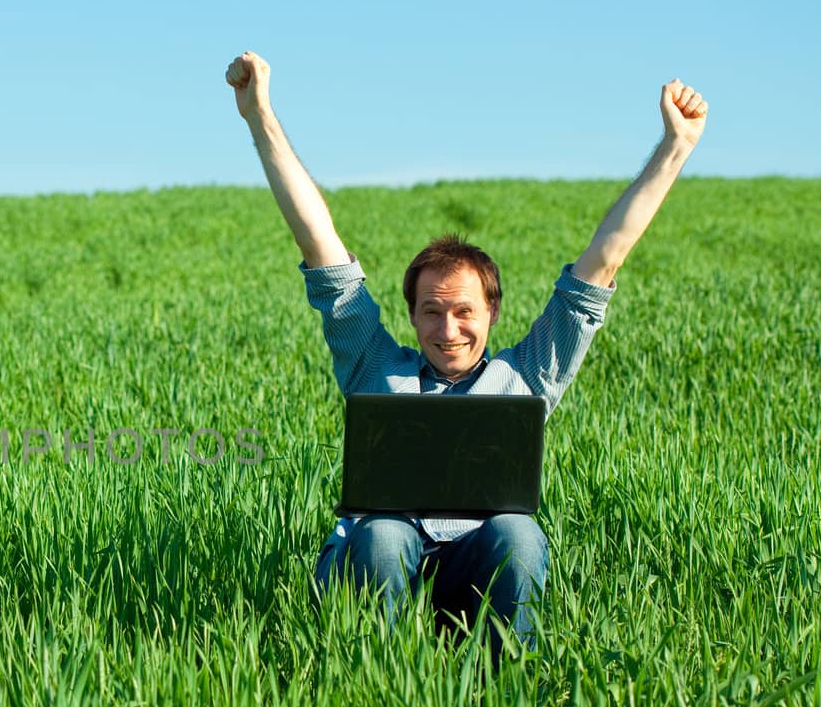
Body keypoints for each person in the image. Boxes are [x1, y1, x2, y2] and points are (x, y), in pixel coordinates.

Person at [225, 50, 708, 655]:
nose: (448, 329)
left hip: (472, 574)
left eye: (464, 313)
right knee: (381, 533)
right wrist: (259, 115)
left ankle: (506, 689)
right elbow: (319, 245)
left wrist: (675, 148)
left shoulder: (523, 377)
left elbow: (602, 265)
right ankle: (377, 682)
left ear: (491, 314)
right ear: (411, 315)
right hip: (381, 565)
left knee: (520, 532)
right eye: (431, 311)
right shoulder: (377, 367)